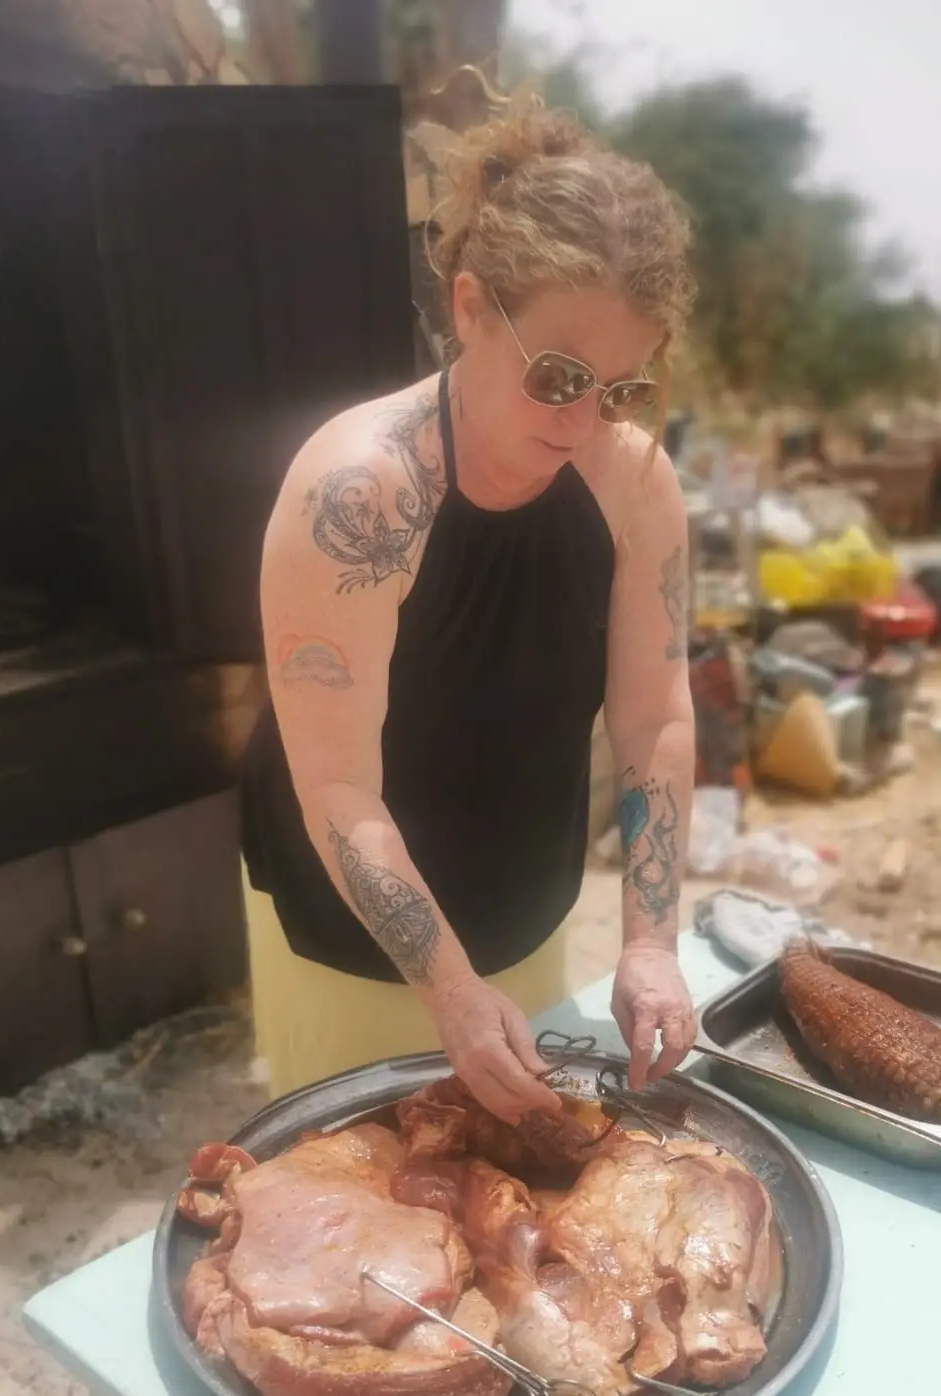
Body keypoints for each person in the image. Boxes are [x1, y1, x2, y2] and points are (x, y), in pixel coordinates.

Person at [239, 94, 698, 1124]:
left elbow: (654, 715)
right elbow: (337, 786)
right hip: (355, 941)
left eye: (620, 390)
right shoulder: (360, 493)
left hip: (525, 916)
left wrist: (651, 941)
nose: (583, 423)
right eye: (558, 376)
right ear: (471, 308)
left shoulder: (633, 483)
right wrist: (448, 989)